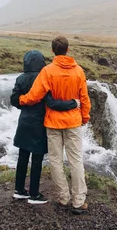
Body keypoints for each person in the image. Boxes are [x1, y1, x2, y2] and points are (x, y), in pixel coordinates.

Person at [20, 36, 91, 214]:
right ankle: (78, 201)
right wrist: (85, 117)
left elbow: (35, 95)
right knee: (75, 161)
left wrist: (22, 99)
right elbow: (84, 98)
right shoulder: (79, 72)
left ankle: (63, 198)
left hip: (53, 123)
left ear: (53, 51)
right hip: (73, 121)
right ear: (68, 50)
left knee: (56, 161)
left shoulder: (47, 71)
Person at [10, 50, 77, 205]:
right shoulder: (44, 77)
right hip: (40, 123)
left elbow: (14, 100)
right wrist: (73, 103)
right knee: (37, 158)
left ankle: (19, 190)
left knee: (23, 156)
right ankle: (34, 194)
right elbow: (52, 103)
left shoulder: (20, 78)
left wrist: (25, 105)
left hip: (24, 122)